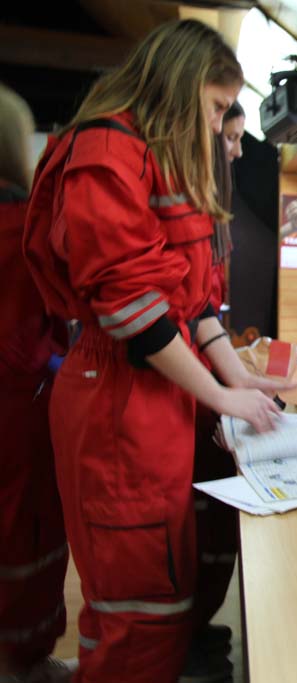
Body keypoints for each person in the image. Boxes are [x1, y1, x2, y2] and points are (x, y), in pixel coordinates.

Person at [22, 20, 291, 683]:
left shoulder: (156, 160)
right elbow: (134, 310)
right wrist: (221, 392)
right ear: (180, 86)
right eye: (217, 109)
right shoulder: (107, 151)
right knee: (137, 606)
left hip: (158, 397)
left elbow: (192, 302)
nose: (222, 127)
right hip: (118, 401)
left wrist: (236, 379)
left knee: (169, 590)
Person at [0, 84, 74, 683]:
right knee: (24, 532)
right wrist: (62, 368)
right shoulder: (23, 227)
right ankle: (23, 664)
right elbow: (28, 338)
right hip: (17, 414)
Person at [186, 100, 246, 681]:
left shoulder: (207, 218)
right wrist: (228, 391)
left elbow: (203, 314)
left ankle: (196, 630)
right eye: (230, 137)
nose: (238, 151)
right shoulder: (178, 213)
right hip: (175, 395)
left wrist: (238, 379)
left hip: (199, 391)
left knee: (211, 527)